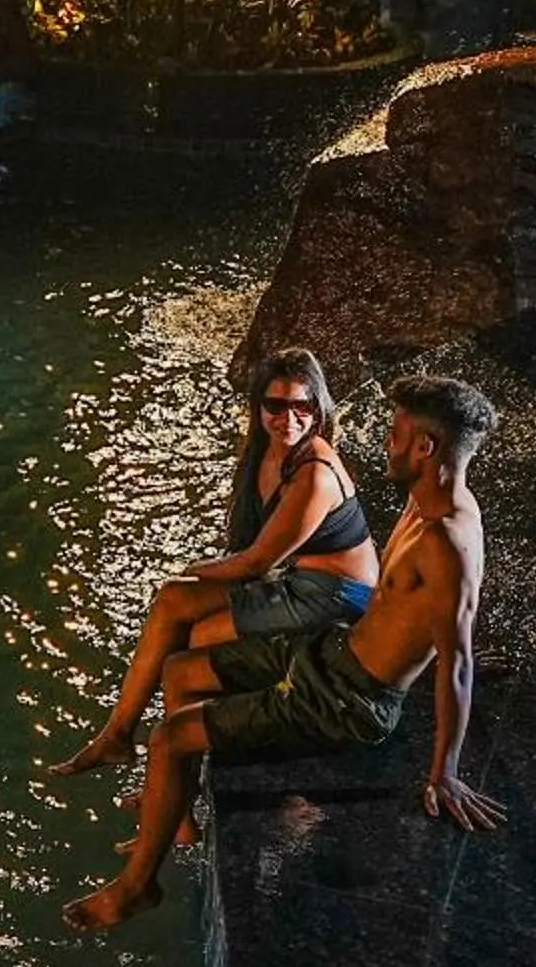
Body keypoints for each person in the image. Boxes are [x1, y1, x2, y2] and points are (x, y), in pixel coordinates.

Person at [64, 374, 506, 933]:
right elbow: (424, 621)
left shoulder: (447, 539)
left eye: (397, 434)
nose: (385, 444)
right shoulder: (423, 504)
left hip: (349, 699)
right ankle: (177, 816)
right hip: (335, 653)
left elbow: (458, 657)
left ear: (425, 447)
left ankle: (136, 886)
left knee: (170, 736)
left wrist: (444, 772)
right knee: (181, 669)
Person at [46, 347, 378, 780]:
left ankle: (156, 765)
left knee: (190, 628)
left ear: (318, 409)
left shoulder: (314, 473)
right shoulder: (267, 453)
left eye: (302, 406)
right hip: (297, 581)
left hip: (333, 596)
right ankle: (135, 750)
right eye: (275, 405)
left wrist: (190, 568)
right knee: (174, 604)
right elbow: (250, 549)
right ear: (258, 406)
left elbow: (255, 562)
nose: (288, 418)